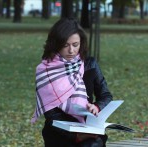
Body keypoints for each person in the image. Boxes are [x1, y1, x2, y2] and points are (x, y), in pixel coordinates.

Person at [31, 17, 113, 147]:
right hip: (59, 133)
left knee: (93, 144)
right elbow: (51, 114)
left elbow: (105, 95)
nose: (71, 50)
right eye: (65, 45)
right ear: (55, 44)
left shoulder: (90, 64)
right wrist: (76, 135)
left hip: (88, 129)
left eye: (75, 45)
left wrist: (96, 106)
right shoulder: (45, 70)